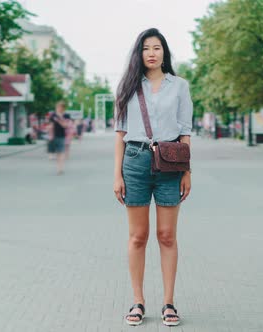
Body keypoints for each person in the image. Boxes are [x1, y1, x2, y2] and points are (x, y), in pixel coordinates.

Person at [113, 28, 193, 327]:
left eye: (157, 47)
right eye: (146, 48)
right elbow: (120, 133)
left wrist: (187, 172)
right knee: (138, 236)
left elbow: (185, 130)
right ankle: (138, 301)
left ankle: (169, 303)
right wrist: (117, 175)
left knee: (167, 236)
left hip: (170, 164)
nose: (152, 52)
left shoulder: (180, 86)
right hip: (134, 161)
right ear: (139, 53)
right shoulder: (128, 86)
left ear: (164, 53)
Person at [49, 101, 70, 175]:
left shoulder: (66, 115)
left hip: (62, 136)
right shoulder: (53, 115)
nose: (58, 108)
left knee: (61, 152)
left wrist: (59, 119)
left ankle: (60, 169)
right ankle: (59, 168)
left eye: (60, 107)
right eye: (57, 107)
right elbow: (51, 125)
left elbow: (65, 125)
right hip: (54, 136)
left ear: (63, 108)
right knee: (57, 153)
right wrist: (50, 135)